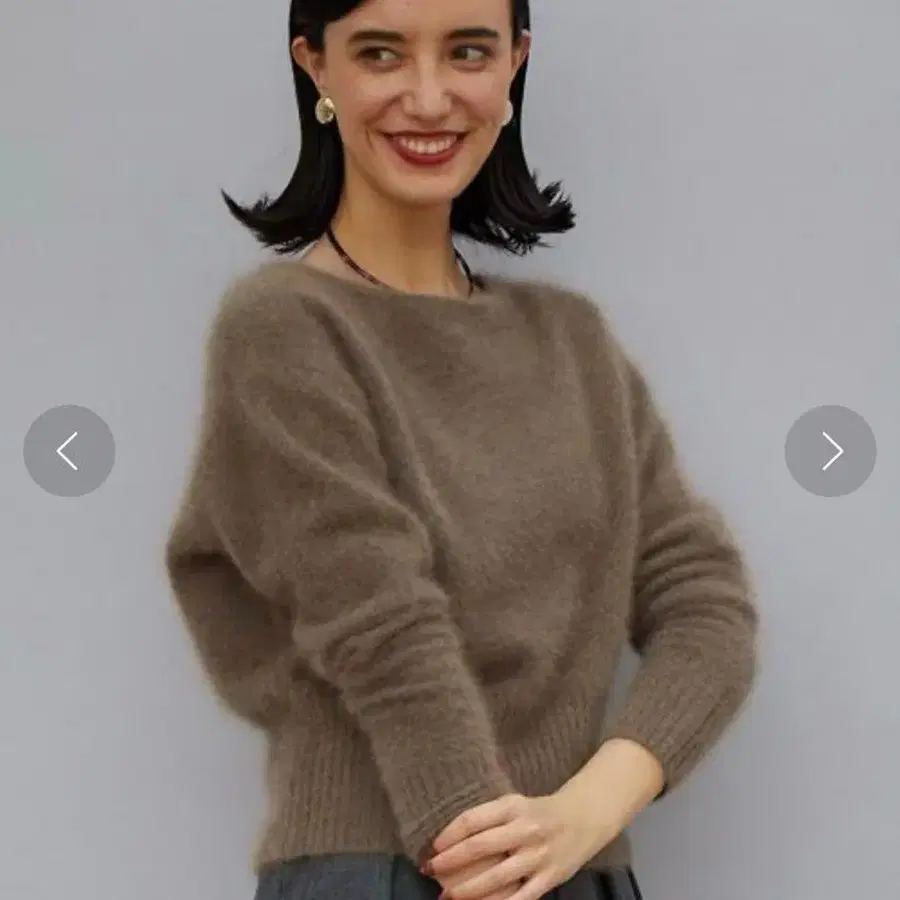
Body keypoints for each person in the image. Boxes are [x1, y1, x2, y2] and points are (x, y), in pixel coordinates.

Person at [164, 0, 759, 898]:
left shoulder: (573, 341)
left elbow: (706, 602)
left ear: (515, 64)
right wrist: (490, 856)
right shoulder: (282, 328)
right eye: (381, 53)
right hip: (399, 869)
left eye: (468, 51)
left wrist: (590, 809)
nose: (429, 96)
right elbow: (379, 627)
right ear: (316, 66)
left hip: (566, 866)